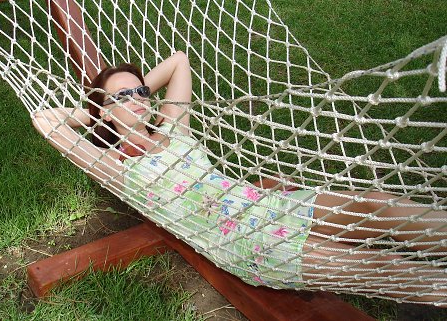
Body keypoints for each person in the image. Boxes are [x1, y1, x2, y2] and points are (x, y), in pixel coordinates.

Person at [32, 52, 447, 304]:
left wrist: (127, 96)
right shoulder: (116, 166)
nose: (138, 99)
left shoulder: (173, 128)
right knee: (381, 267)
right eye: (123, 97)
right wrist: (96, 110)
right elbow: (46, 119)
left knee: (376, 203)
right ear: (104, 112)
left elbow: (178, 60)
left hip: (266, 205)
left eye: (141, 92)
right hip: (248, 244)